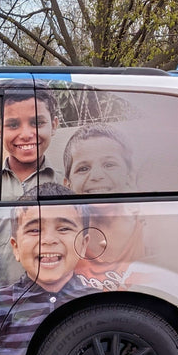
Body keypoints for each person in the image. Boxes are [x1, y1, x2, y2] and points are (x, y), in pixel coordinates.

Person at [0, 183, 96, 355]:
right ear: (15, 247)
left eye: (64, 228)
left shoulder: (97, 303)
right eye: (35, 230)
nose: (49, 240)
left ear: (83, 244)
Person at [0, 83, 61, 288]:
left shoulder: (65, 185)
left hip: (52, 305)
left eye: (37, 122)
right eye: (13, 125)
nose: (26, 134)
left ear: (54, 125)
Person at [62, 124, 146, 291]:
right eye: (83, 168)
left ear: (130, 176)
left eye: (109, 164)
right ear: (67, 184)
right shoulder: (61, 241)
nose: (97, 176)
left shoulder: (150, 232)